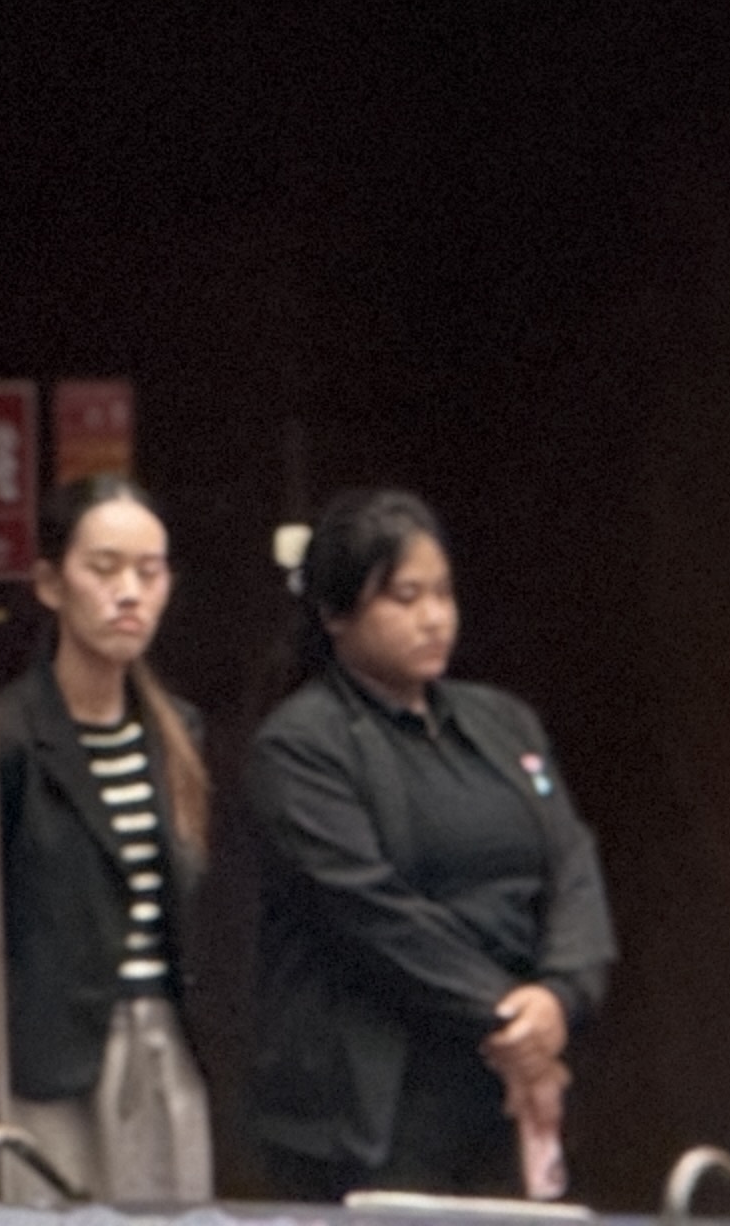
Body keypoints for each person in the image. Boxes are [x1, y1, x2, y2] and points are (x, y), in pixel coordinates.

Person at [249, 488, 616, 1204]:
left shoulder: (506, 722)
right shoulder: (300, 745)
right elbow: (369, 909)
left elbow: (571, 863)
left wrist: (560, 994)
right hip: (378, 1096)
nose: (434, 617)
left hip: (506, 1080)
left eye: (443, 594)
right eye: (405, 597)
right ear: (336, 614)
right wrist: (507, 1013)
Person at [0, 473, 216, 1205]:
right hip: (51, 1051)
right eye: (105, 569)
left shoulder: (176, 731)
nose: (130, 593)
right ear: (51, 584)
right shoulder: (8, 735)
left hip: (165, 1039)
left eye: (149, 573)